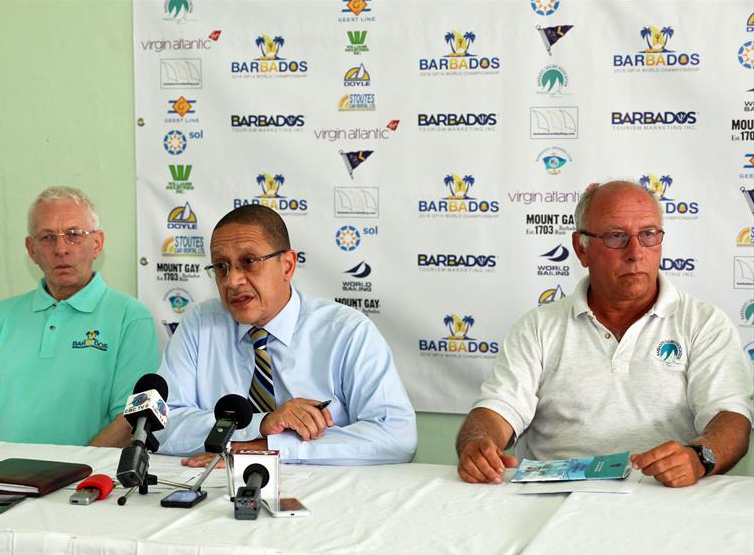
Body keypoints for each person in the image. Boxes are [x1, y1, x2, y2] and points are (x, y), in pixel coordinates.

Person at [457, 181, 753, 488]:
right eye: (616, 237)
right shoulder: (537, 328)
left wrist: (699, 456)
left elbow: (730, 418)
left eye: (649, 234)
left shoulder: (704, 323)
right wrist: (479, 444)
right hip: (553, 498)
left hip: (661, 497)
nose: (636, 253)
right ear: (580, 248)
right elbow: (497, 410)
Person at [156, 204, 417, 465]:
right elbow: (158, 424)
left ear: (288, 265)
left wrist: (272, 447)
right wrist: (261, 424)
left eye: (248, 262)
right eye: (221, 266)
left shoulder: (346, 332)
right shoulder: (199, 325)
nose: (232, 281)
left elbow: (396, 437)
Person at [0, 187, 159, 446]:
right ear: (31, 249)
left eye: (74, 235)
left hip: (85, 482)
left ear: (97, 243)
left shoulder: (130, 318)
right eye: (47, 237)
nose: (61, 248)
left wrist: (74, 477)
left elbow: (130, 419)